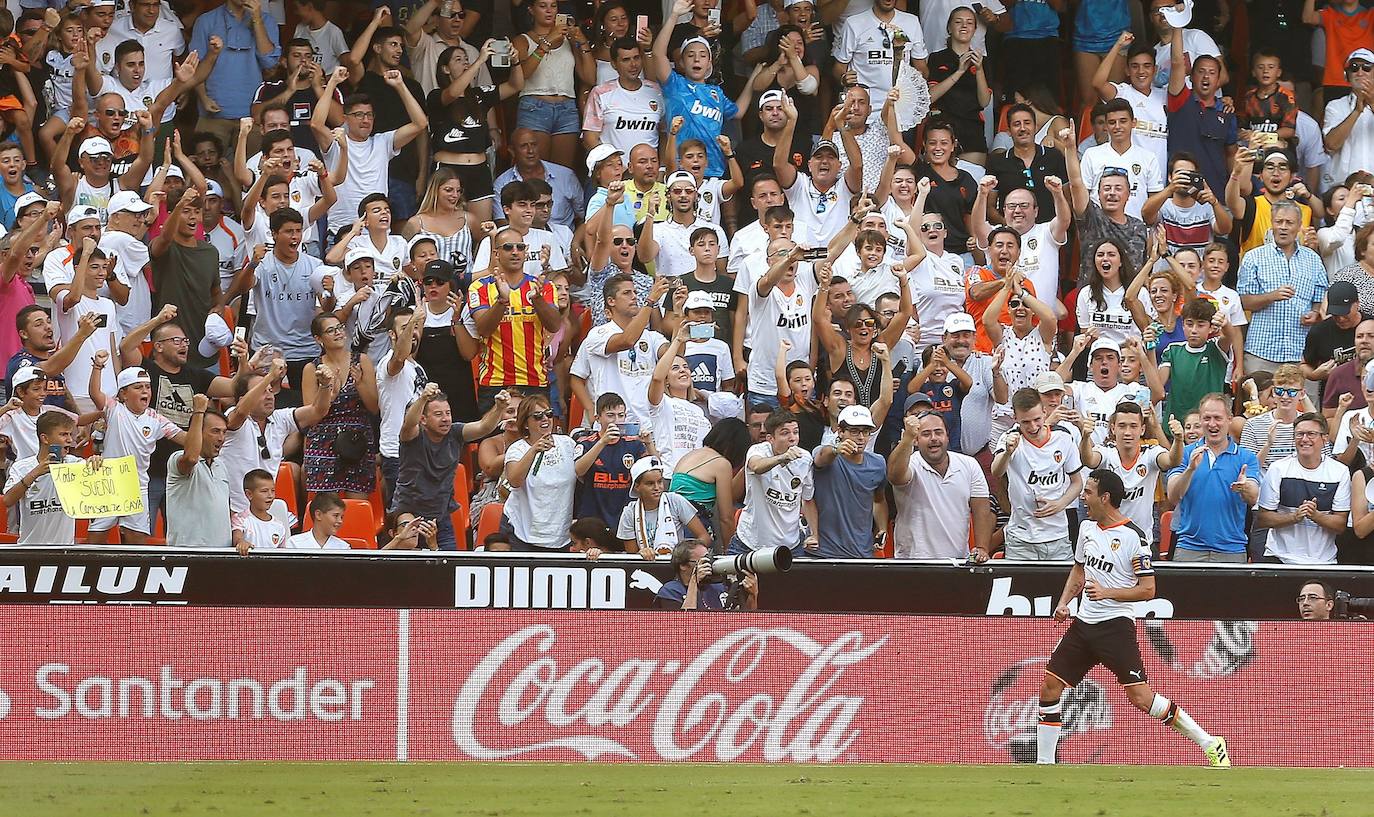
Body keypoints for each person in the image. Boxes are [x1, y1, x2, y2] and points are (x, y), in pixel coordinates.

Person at [1038, 468, 1230, 768]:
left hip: (1115, 626)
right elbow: (1078, 570)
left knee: (1142, 699)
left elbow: (1148, 589)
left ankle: (1209, 741)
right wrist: (1064, 603)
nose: (1083, 498)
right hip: (1083, 624)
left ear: (1105, 497)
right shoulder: (1087, 529)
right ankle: (1044, 765)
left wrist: (1108, 592)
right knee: (1050, 685)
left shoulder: (1133, 538)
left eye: (1088, 492)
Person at [393, 382, 506, 550]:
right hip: (409, 514)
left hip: (440, 518)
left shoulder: (455, 432)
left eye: (448, 413)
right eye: (438, 414)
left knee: (447, 567)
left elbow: (484, 427)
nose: (445, 418)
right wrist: (423, 398)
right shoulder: (413, 436)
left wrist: (499, 408)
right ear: (423, 419)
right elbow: (409, 424)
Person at [87, 362, 186, 544]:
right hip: (107, 482)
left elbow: (186, 440)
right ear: (123, 394)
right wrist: (98, 368)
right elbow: (95, 393)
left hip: (137, 486)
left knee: (137, 539)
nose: (145, 392)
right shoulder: (114, 409)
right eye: (138, 387)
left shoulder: (156, 419)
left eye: (148, 387)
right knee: (97, 536)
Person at [467, 225, 560, 410]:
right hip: (495, 382)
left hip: (535, 382)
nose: (515, 252)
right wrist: (502, 300)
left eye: (520, 247)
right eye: (508, 247)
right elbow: (483, 329)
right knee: (494, 439)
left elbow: (554, 325)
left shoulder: (543, 287)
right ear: (496, 254)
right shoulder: (480, 287)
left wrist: (538, 299)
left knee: (535, 439)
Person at [1166, 393, 1262, 562]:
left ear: (1230, 419)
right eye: (1207, 418)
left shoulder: (1246, 457)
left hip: (1231, 548)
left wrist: (1244, 487)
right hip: (1189, 546)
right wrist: (1190, 470)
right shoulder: (1185, 453)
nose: (1212, 424)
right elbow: (1173, 497)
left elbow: (1253, 497)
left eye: (1218, 418)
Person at [993, 387, 1084, 560]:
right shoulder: (1009, 438)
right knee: (1020, 587)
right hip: (1021, 539)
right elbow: (996, 471)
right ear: (1015, 417)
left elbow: (1077, 482)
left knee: (1060, 587)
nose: (1033, 426)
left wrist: (1060, 503)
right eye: (1026, 422)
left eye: (1037, 419)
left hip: (1057, 536)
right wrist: (1007, 453)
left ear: (1044, 412)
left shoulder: (1063, 437)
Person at [1237, 200, 1327, 373]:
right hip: (1262, 352)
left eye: (1289, 222)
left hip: (1301, 354)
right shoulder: (1254, 257)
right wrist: (1272, 296)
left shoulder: (1313, 259)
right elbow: (1244, 302)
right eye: (1279, 222)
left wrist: (1315, 313)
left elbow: (1320, 296)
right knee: (1257, 401)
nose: (1283, 227)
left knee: (1304, 401)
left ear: (1300, 226)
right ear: (1272, 224)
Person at [301, 314, 380, 499]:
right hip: (323, 440)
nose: (338, 333)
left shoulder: (362, 361)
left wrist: (360, 384)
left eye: (340, 327)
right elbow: (310, 416)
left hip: (357, 440)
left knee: (357, 508)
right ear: (318, 339)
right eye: (330, 330)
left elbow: (374, 407)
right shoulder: (312, 369)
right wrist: (329, 391)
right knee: (328, 509)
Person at [1256, 413, 1351, 565]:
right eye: (1299, 434)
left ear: (1325, 438)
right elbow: (1263, 518)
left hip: (1323, 560)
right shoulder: (1278, 469)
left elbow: (1340, 524)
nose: (1305, 439)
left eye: (1311, 434)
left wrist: (1315, 516)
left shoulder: (1340, 472)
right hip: (1279, 557)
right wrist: (1294, 517)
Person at [733, 409, 818, 555]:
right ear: (770, 438)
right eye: (785, 433)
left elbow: (808, 500)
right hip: (750, 542)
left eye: (795, 432)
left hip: (791, 545)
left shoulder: (805, 458)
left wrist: (814, 534)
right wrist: (782, 458)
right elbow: (756, 466)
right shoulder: (758, 450)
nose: (792, 438)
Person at [503, 392, 579, 550]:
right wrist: (533, 450)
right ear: (525, 423)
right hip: (523, 532)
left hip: (561, 535)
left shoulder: (567, 444)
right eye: (537, 416)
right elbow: (514, 481)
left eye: (549, 414)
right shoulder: (517, 449)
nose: (545, 419)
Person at [2, 411, 89, 545]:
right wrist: (35, 473)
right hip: (30, 550)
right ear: (45, 438)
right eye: (63, 434)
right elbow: (8, 500)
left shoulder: (75, 464)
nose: (70, 440)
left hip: (64, 552)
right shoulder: (22, 467)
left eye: (70, 434)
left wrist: (96, 461)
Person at [811, 405, 886, 558]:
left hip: (862, 553)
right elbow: (821, 457)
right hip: (824, 553)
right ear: (840, 431)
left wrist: (882, 529)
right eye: (854, 431)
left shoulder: (878, 463)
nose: (861, 437)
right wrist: (835, 449)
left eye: (865, 432)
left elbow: (878, 500)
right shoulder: (827, 454)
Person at [573, 392, 650, 529]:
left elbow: (654, 472)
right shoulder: (586, 443)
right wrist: (603, 442)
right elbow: (579, 470)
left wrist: (649, 444)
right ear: (598, 418)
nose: (616, 420)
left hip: (625, 519)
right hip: (593, 519)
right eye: (610, 415)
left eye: (621, 415)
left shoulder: (634, 444)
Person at [165, 394, 231, 548]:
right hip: (188, 554)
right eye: (215, 431)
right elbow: (191, 458)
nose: (221, 438)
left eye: (224, 432)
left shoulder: (221, 466)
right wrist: (198, 412)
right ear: (198, 432)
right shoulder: (177, 460)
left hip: (222, 555)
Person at [618, 455, 709, 558]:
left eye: (660, 481)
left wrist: (684, 555)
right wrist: (642, 554)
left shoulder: (675, 501)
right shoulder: (630, 513)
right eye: (650, 483)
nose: (657, 487)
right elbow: (632, 556)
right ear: (637, 487)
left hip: (677, 566)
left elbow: (704, 537)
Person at [655, 538, 758, 611]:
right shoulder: (671, 591)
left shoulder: (718, 587)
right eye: (702, 561)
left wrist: (753, 596)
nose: (708, 564)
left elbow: (744, 622)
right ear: (683, 565)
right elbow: (683, 624)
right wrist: (694, 581)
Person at [231, 468, 296, 554]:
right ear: (249, 494)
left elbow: (282, 555)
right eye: (264, 491)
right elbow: (237, 537)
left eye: (273, 490)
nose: (270, 495)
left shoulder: (279, 526)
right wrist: (241, 542)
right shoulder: (240, 519)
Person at [284, 492, 350, 549]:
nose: (340, 521)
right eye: (335, 515)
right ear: (318, 515)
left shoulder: (343, 547)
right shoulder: (294, 543)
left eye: (341, 517)